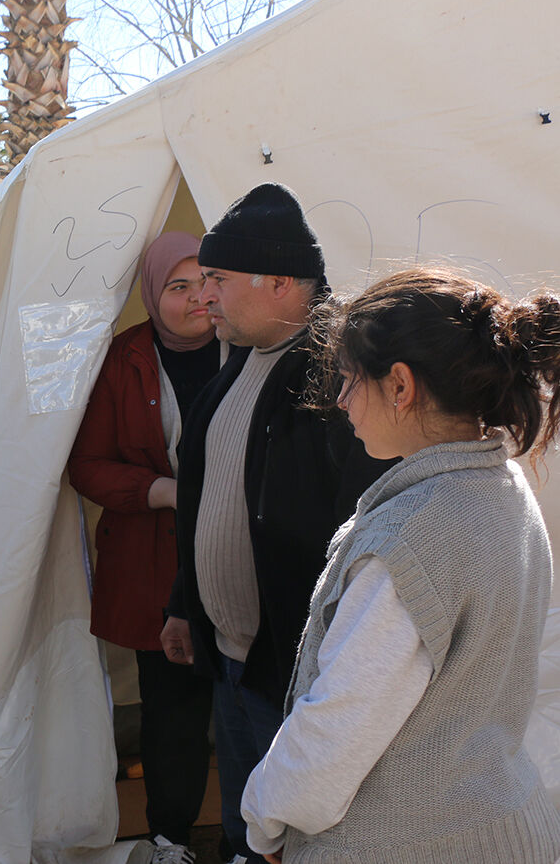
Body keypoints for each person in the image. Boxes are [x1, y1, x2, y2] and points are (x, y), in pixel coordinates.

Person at [241, 267, 560, 863]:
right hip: (500, 827)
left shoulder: (413, 537)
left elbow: (338, 729)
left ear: (400, 385)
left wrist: (267, 819)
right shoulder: (503, 487)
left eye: (348, 380)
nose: (340, 401)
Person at [159, 183, 390, 862]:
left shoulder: (338, 379)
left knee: (294, 838)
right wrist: (185, 605)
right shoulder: (237, 363)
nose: (206, 298)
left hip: (294, 676)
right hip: (231, 663)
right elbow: (207, 501)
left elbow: (367, 527)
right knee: (245, 831)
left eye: (219, 280)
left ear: (282, 284)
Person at [68, 231, 221, 861]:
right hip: (157, 562)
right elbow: (87, 465)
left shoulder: (250, 349)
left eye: (208, 282)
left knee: (250, 695)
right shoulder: (124, 358)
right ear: (153, 294)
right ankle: (171, 839)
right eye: (179, 286)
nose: (198, 298)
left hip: (241, 555)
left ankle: (253, 839)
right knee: (173, 703)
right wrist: (161, 491)